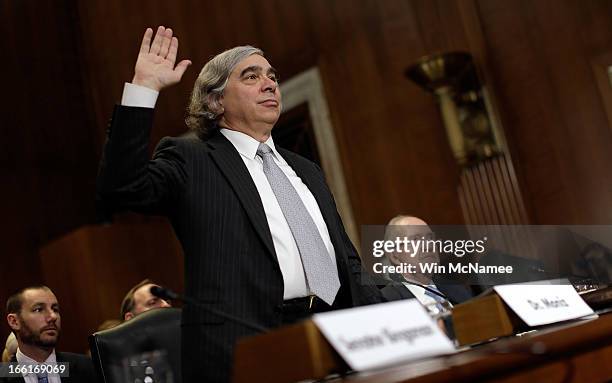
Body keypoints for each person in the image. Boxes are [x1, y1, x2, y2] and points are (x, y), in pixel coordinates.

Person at [97, 26, 383, 382]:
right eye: (251, 76)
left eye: (272, 77)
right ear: (216, 101)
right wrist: (144, 88)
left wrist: (393, 319)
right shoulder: (192, 159)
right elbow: (123, 186)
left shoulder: (305, 169)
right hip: (251, 340)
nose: (269, 84)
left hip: (339, 331)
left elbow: (346, 258)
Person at [3, 286, 96, 383]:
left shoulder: (88, 367)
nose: (53, 316)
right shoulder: (4, 375)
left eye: (55, 309)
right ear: (14, 321)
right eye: (39, 309)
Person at [380, 215, 472, 312]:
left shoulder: (456, 288)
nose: (428, 245)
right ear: (395, 256)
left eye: (430, 237)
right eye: (415, 239)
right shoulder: (387, 302)